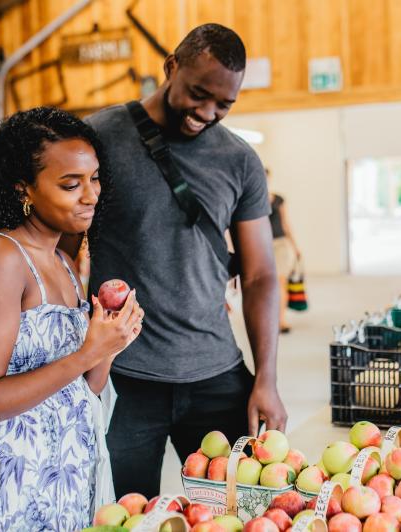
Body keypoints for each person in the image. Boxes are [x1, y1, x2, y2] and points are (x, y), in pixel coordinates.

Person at [60, 24, 287, 498]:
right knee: (118, 513)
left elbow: (261, 273)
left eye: (224, 105)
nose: (207, 113)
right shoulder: (99, 137)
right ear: (171, 68)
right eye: (198, 94)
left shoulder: (240, 161)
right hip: (121, 376)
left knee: (235, 511)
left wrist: (266, 377)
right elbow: (60, 246)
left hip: (216, 377)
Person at [0, 108, 144, 530]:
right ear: (23, 190)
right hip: (7, 484)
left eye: (95, 178)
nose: (90, 195)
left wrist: (109, 344)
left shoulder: (64, 263)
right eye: (71, 184)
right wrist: (88, 352)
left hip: (61, 479)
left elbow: (86, 389)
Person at [267, 168, 301, 334]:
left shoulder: (278, 199)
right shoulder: (251, 199)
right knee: (266, 285)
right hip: (263, 246)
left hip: (281, 245)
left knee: (281, 283)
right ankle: (269, 320)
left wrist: (295, 247)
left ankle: (281, 321)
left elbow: (286, 224)